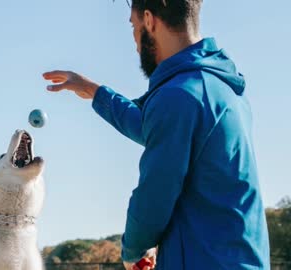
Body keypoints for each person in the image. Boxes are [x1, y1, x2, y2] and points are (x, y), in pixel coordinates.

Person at [42, 0, 270, 269]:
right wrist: (95, 92)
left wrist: (133, 250)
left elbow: (155, 194)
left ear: (149, 20)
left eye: (133, 27)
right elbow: (157, 130)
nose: (136, 44)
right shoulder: (220, 87)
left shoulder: (179, 96)